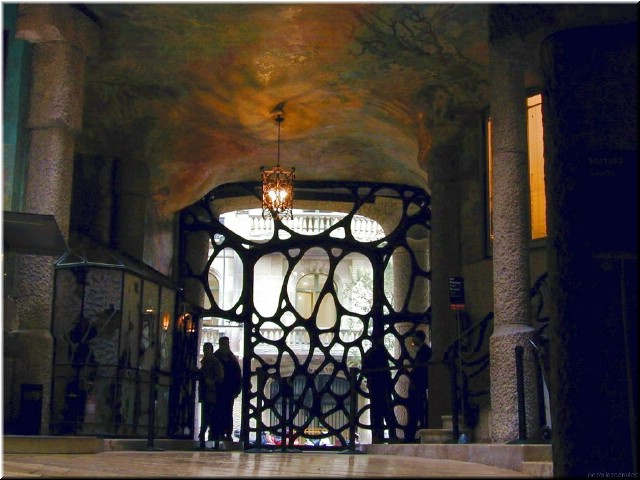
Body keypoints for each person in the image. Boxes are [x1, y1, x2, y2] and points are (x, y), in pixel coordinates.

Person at [362, 337, 396, 443]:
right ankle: (387, 436)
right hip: (380, 386)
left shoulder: (372, 353)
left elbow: (365, 371)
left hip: (378, 386)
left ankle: (381, 436)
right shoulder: (377, 353)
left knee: (380, 412)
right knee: (385, 412)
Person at [405, 330, 432, 443]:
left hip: (418, 387)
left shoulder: (424, 352)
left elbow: (420, 370)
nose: (412, 340)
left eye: (414, 338)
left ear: (419, 339)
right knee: (417, 412)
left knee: (416, 411)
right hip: (418, 386)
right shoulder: (422, 351)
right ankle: (414, 436)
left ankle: (411, 437)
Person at [213, 336, 242, 442]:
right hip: (217, 391)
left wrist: (237, 389)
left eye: (226, 344)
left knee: (228, 413)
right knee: (217, 413)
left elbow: (238, 375)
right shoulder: (215, 357)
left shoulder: (232, 359)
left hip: (229, 392)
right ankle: (217, 434)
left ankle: (228, 434)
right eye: (223, 344)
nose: (225, 346)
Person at [197, 342, 224, 449]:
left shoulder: (214, 362)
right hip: (206, 393)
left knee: (210, 416)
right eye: (204, 349)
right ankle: (204, 438)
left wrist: (211, 382)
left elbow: (220, 376)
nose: (205, 351)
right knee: (206, 416)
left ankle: (207, 437)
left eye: (207, 349)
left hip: (211, 393)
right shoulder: (206, 361)